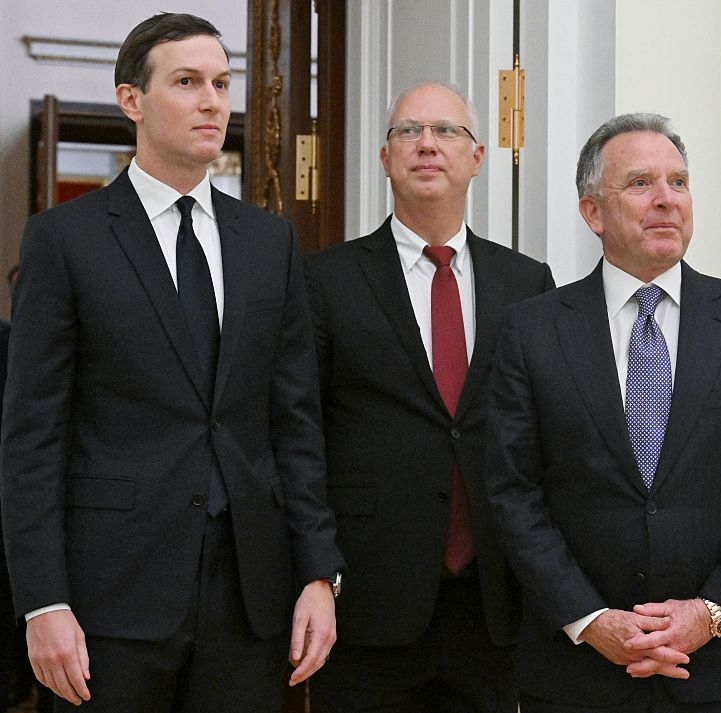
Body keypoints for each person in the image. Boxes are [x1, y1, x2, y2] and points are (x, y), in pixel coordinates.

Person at [0, 13, 344, 712]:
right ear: (133, 100)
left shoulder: (268, 242)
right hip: (108, 601)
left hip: (250, 600)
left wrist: (319, 573)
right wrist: (43, 602)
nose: (213, 100)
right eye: (187, 82)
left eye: (222, 82)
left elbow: (295, 424)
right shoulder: (64, 239)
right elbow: (31, 438)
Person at [484, 113, 721, 713]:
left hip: (716, 670)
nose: (666, 199)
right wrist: (587, 619)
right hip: (574, 673)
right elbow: (511, 490)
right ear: (593, 213)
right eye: (640, 184)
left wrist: (712, 613)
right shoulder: (532, 330)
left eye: (679, 182)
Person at [303, 81, 555, 712]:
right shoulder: (325, 280)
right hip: (366, 602)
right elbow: (298, 435)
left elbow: (546, 438)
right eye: (407, 131)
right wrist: (315, 570)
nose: (426, 145)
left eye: (447, 131)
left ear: (477, 158)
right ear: (385, 158)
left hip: (494, 604)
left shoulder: (528, 283)